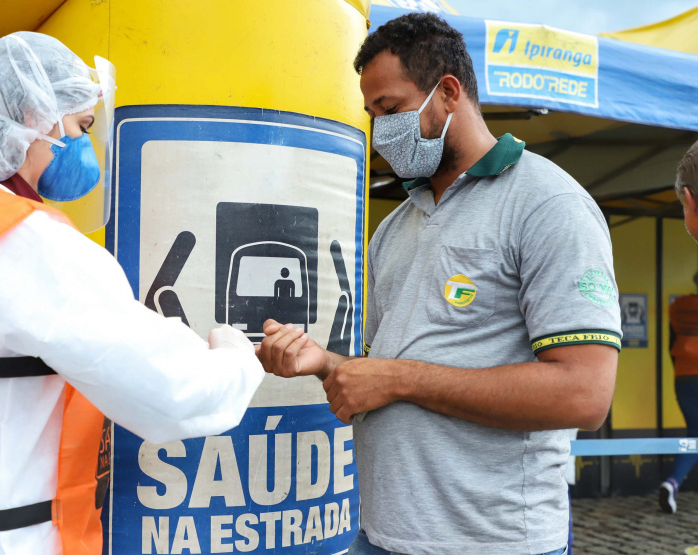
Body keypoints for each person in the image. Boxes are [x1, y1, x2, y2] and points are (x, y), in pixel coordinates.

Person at [0, 32, 264, 555]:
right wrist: (235, 356)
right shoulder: (25, 241)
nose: (86, 145)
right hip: (4, 539)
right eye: (79, 126)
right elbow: (170, 393)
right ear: (31, 114)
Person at [257, 13, 620, 555]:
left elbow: (585, 394)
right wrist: (325, 362)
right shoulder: (395, 228)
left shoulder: (548, 204)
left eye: (391, 108)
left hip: (492, 541)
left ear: (448, 92)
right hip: (383, 534)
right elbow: (390, 371)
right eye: (371, 113)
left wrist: (399, 377)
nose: (380, 131)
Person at [659, 140, 698, 513]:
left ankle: (672, 483)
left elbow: (673, 339)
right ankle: (672, 483)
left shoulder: (681, 306)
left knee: (694, 433)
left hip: (683, 376)